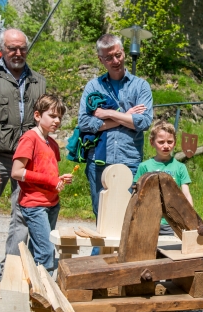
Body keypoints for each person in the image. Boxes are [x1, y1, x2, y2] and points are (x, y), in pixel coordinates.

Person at [0, 27, 46, 291]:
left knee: (22, 214)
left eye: (22, 48)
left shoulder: (39, 81)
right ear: (2, 48)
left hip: (26, 160)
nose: (18, 53)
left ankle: (12, 268)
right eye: (12, 48)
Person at [78, 33, 153, 237]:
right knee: (100, 215)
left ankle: (121, 265)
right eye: (109, 57)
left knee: (127, 216)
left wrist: (109, 113)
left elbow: (144, 121)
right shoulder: (93, 87)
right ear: (100, 60)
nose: (115, 61)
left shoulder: (140, 86)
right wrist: (126, 116)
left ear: (123, 53)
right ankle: (101, 263)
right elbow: (84, 123)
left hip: (129, 161)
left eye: (118, 55)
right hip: (98, 162)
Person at [133, 121, 194, 312]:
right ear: (152, 142)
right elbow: (136, 194)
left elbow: (185, 193)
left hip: (173, 223)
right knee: (152, 263)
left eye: (170, 141)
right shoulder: (145, 166)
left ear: (175, 142)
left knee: (175, 265)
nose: (166, 145)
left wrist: (191, 217)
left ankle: (173, 307)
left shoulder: (179, 167)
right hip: (150, 223)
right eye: (161, 141)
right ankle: (152, 304)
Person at [11, 94, 72, 274]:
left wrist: (60, 179)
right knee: (46, 253)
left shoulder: (51, 143)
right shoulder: (29, 138)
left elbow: (48, 171)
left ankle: (30, 289)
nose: (57, 120)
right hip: (35, 205)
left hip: (52, 203)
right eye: (52, 116)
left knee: (37, 250)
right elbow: (17, 172)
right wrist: (50, 180)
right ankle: (45, 296)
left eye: (59, 117)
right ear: (37, 115)